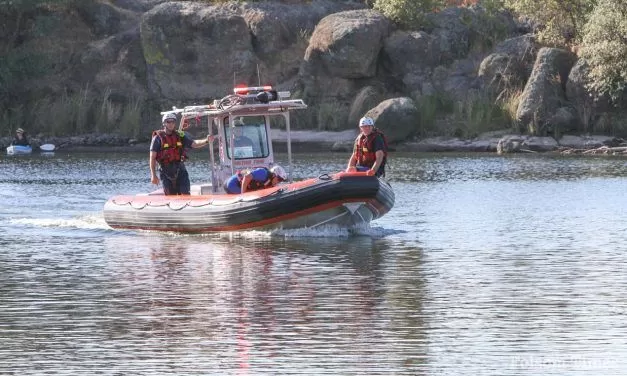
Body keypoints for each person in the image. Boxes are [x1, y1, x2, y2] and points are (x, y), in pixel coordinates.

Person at [150, 112, 213, 195]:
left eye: (172, 122)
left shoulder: (180, 135)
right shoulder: (157, 138)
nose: (171, 124)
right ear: (164, 123)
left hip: (180, 170)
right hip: (165, 172)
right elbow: (152, 158)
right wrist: (153, 175)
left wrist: (206, 141)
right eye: (168, 122)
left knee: (185, 194)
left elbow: (194, 143)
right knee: (170, 196)